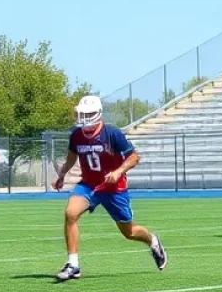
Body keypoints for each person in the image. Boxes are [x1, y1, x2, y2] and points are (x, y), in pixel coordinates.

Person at [51, 94, 167, 281]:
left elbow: (134, 157)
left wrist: (119, 171)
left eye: (89, 114)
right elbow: (72, 156)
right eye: (82, 114)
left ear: (98, 114)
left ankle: (152, 240)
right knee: (70, 213)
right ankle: (73, 264)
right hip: (88, 185)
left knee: (129, 232)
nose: (85, 119)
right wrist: (62, 174)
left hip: (113, 188)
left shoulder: (112, 133)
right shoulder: (76, 135)